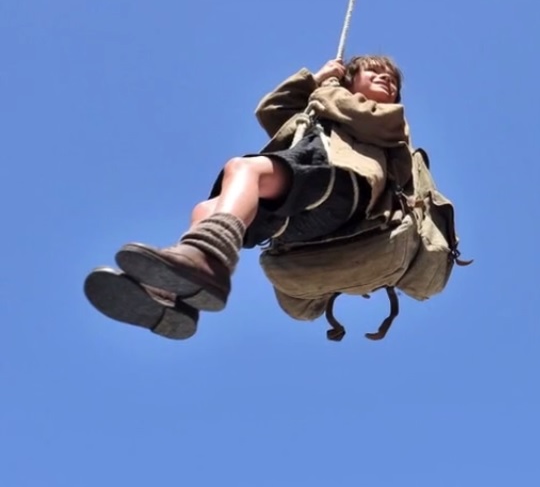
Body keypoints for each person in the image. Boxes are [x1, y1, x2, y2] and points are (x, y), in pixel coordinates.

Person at [84, 55, 413, 340]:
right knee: (208, 207)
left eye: (391, 79)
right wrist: (316, 79)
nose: (385, 78)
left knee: (244, 170)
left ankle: (208, 260)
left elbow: (355, 113)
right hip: (304, 213)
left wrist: (327, 90)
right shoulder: (322, 103)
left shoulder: (388, 118)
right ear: (349, 78)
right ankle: (174, 295)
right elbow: (271, 109)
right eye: (373, 72)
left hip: (344, 189)